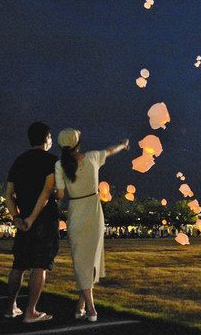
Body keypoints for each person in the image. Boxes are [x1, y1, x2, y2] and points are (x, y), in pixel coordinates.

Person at [55, 128, 128, 322]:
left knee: (83, 260)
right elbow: (111, 151)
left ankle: (81, 305)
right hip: (94, 211)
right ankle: (91, 307)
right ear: (78, 143)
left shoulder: (59, 165)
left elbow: (60, 195)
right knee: (88, 260)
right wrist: (123, 144)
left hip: (76, 211)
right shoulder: (93, 157)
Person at [4, 122, 59, 323]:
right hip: (43, 220)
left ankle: (11, 307)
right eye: (51, 137)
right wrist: (31, 219)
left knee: (18, 265)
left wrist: (17, 218)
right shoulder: (52, 161)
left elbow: (9, 194)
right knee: (39, 265)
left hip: (23, 220)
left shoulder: (19, 161)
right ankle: (31, 311)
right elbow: (47, 192)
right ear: (47, 138)